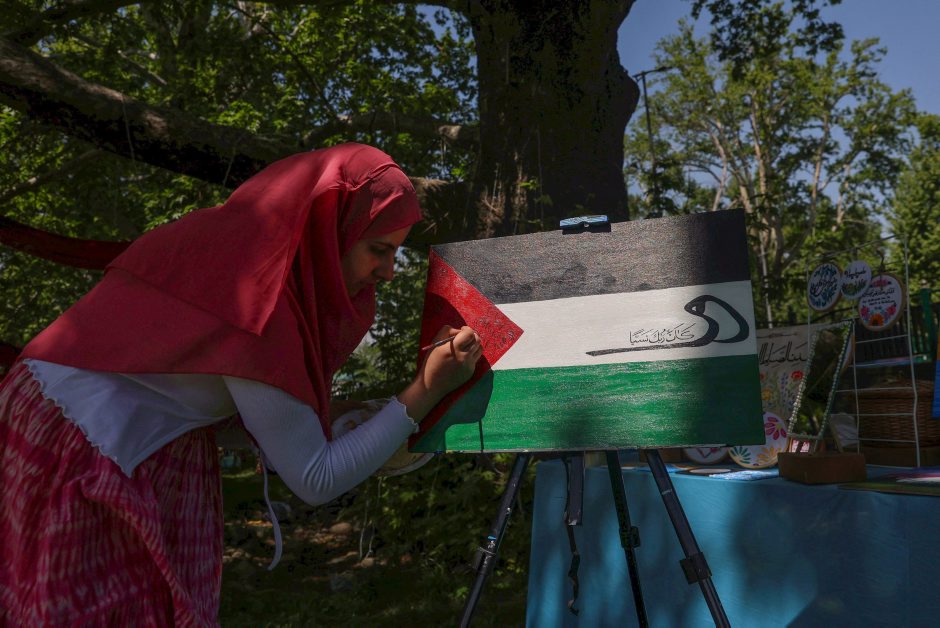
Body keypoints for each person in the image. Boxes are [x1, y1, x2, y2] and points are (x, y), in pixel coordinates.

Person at [0, 143, 482, 625]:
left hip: (55, 413)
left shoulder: (232, 247)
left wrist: (327, 413)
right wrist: (426, 389)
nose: (389, 272)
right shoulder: (260, 300)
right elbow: (316, 479)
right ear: (328, 231)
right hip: (81, 444)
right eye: (378, 249)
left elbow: (188, 390)